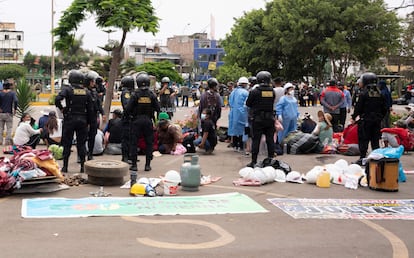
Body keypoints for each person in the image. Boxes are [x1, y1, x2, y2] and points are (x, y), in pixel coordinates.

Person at [55, 69, 94, 173]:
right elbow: (90, 109)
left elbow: (57, 99)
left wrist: (62, 109)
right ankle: (82, 166)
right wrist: (90, 122)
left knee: (67, 143)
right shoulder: (87, 92)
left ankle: (65, 166)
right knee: (81, 144)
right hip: (83, 119)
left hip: (70, 119)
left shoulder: (67, 89)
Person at [126, 73, 160, 176]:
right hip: (148, 121)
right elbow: (158, 109)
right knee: (149, 143)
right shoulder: (152, 95)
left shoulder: (135, 95)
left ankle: (134, 165)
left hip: (136, 121)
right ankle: (147, 165)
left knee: (134, 143)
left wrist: (129, 117)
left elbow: (128, 109)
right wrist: (156, 123)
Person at [351, 72, 387, 165]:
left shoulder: (364, 94)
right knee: (375, 140)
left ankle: (363, 158)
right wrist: (379, 117)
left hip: (365, 121)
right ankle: (376, 159)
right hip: (376, 121)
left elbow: (358, 107)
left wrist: (354, 117)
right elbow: (385, 108)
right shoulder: (380, 93)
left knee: (363, 140)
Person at [245, 71, 275, 168]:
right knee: (270, 140)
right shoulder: (272, 91)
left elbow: (248, 104)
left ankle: (254, 161)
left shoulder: (255, 91)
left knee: (256, 140)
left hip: (258, 119)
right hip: (270, 119)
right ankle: (271, 160)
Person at [84, 70, 106, 161]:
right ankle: (81, 155)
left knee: (92, 136)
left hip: (93, 117)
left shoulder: (94, 92)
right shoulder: (83, 92)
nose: (94, 83)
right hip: (84, 117)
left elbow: (98, 104)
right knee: (82, 137)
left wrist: (102, 113)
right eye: (92, 81)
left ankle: (90, 154)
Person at [228, 77, 249, 152]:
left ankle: (235, 145)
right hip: (242, 113)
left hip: (233, 112)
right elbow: (247, 104)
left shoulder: (233, 92)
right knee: (242, 130)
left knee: (234, 129)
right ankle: (241, 146)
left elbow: (230, 102)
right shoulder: (245, 92)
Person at [119, 75, 135, 163]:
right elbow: (127, 105)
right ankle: (125, 157)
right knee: (126, 139)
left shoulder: (132, 92)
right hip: (127, 118)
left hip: (132, 119)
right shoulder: (126, 93)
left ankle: (130, 156)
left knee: (131, 138)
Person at [0, 81, 18, 145]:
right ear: (9, 86)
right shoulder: (12, 93)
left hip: (1, 113)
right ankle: (7, 141)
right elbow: (16, 100)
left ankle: (0, 140)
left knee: (1, 128)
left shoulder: (0, 93)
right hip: (8, 113)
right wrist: (15, 109)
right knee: (9, 128)